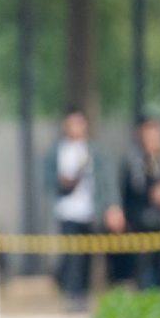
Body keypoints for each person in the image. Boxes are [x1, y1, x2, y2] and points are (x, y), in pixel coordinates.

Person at [107, 116, 160, 291]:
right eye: (147, 132)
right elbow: (124, 190)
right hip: (139, 224)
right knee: (141, 271)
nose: (151, 137)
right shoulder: (132, 159)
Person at [51, 110, 97, 307]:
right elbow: (49, 179)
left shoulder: (92, 150)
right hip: (68, 210)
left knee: (87, 257)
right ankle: (71, 295)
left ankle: (84, 295)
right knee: (71, 257)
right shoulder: (58, 151)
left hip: (89, 210)